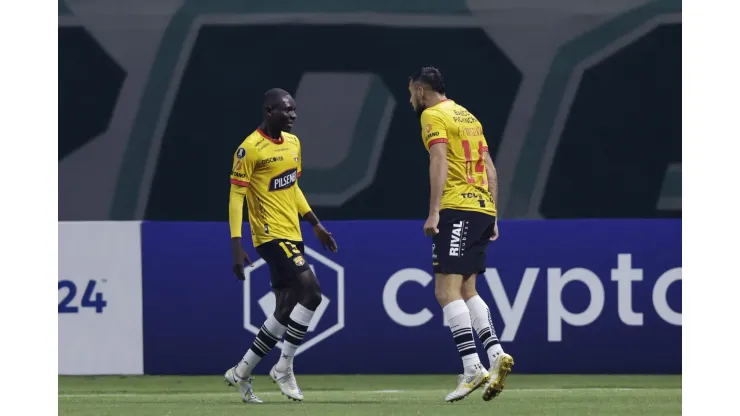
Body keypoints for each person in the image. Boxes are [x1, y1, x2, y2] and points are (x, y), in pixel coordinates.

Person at [224, 88, 338, 403]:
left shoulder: (293, 143)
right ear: (269, 111)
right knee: (312, 293)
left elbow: (293, 185)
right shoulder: (249, 149)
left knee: (285, 309)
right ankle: (284, 366)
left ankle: (241, 372)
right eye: (286, 111)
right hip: (269, 235)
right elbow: (236, 197)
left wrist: (315, 223)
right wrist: (237, 243)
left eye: (294, 110)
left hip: (294, 232)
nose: (293, 116)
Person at [408, 67, 514, 403]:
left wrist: (435, 211)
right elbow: (490, 168)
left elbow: (438, 160)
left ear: (421, 91)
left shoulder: (432, 116)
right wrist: (493, 214)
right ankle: (495, 354)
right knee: (467, 288)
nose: (410, 98)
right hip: (482, 208)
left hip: (457, 207)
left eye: (410, 91)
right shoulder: (468, 116)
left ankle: (472, 367)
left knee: (444, 290)